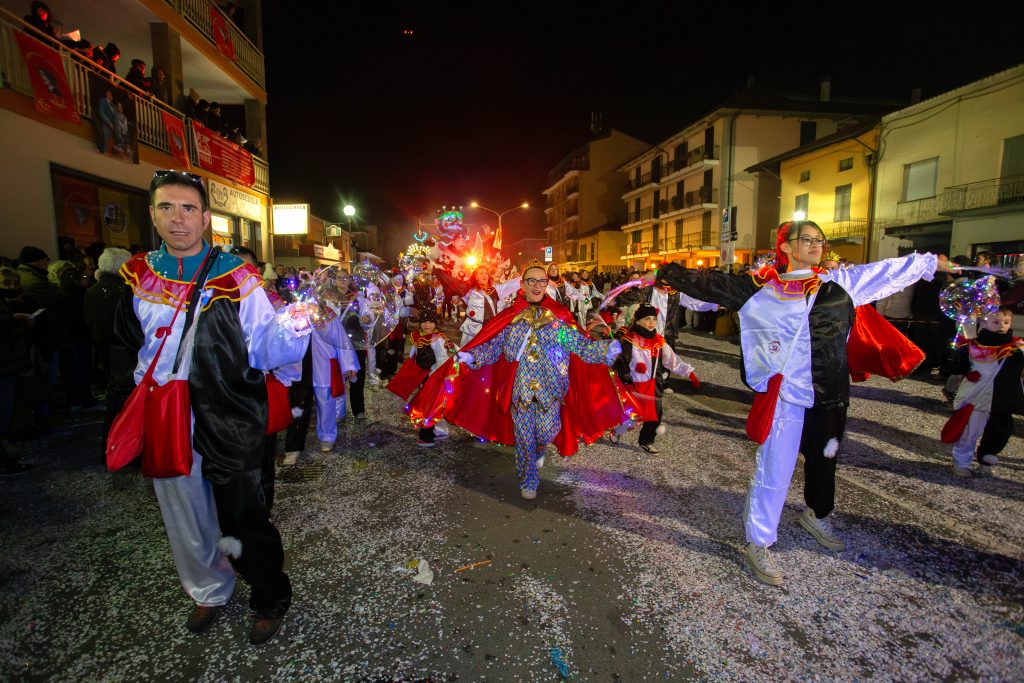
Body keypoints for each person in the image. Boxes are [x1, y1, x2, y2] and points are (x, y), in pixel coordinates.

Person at [653, 220, 937, 587]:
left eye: (820, 240)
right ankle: (759, 541)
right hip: (785, 396)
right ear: (785, 246)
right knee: (775, 467)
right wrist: (667, 273)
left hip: (829, 393)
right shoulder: (760, 289)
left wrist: (929, 262)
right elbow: (710, 284)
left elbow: (887, 271)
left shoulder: (841, 284)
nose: (817, 245)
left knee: (825, 459)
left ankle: (817, 514)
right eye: (807, 239)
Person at [109, 170, 310, 645]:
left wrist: (296, 327)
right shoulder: (137, 275)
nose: (177, 219)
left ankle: (269, 595)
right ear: (152, 215)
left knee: (244, 512)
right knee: (183, 511)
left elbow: (266, 346)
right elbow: (125, 347)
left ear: (205, 219)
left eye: (188, 209)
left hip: (230, 413)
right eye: (166, 207)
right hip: (165, 411)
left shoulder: (236, 275)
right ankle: (209, 589)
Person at [409, 262, 635, 499]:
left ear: (546, 285)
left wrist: (606, 349)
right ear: (523, 284)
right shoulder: (512, 318)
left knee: (547, 431)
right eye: (531, 281)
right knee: (525, 438)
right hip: (521, 390)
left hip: (551, 389)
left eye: (542, 281)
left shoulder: (557, 318)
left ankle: (539, 448)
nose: (537, 285)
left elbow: (580, 345)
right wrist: (472, 356)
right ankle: (529, 480)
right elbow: (494, 347)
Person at [942, 307, 1023, 477]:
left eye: (1006, 322)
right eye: (996, 322)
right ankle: (961, 463)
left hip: (1002, 400)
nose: (1002, 326)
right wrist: (952, 357)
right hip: (976, 398)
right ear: (983, 323)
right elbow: (958, 368)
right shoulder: (971, 346)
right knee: (969, 432)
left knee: (999, 433)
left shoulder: (1016, 348)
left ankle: (986, 459)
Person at [611, 304, 698, 453]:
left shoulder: (658, 341)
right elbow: (621, 362)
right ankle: (618, 431)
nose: (651, 322)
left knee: (656, 415)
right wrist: (625, 379)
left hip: (653, 385)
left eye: (654, 319)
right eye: (647, 319)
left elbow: (670, 359)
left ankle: (646, 441)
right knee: (633, 416)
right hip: (634, 385)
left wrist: (688, 372)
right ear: (637, 321)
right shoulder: (629, 340)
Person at [387, 309, 454, 447]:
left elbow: (442, 360)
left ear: (435, 323)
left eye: (430, 322)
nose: (427, 325)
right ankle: (440, 431)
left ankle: (427, 436)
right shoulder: (418, 336)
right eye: (424, 321)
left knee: (427, 406)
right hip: (422, 375)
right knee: (431, 405)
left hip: (433, 377)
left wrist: (437, 379)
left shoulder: (437, 338)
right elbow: (414, 354)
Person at [436, 265, 521, 346]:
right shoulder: (469, 291)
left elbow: (514, 283)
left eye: (486, 273)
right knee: (468, 353)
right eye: (481, 273)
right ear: (476, 276)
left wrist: (526, 275)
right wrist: (438, 271)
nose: (484, 275)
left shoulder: (496, 289)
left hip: (488, 330)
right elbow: (451, 282)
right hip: (472, 331)